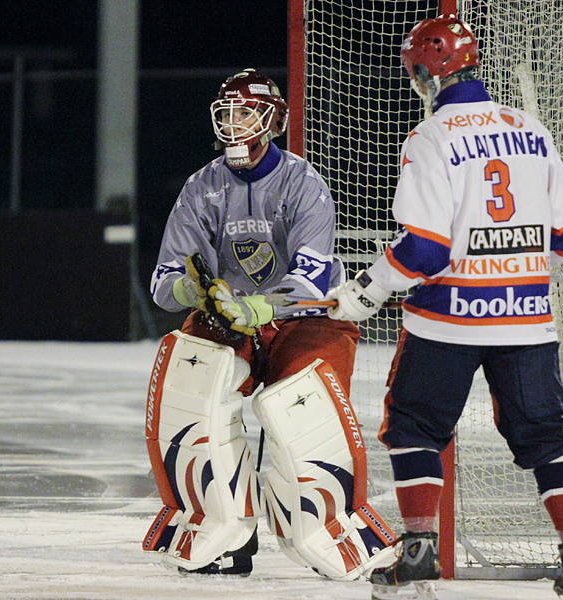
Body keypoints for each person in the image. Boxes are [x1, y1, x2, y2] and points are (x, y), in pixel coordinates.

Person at [326, 15, 563, 600]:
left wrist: (367, 290)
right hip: (526, 316)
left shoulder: (431, 137)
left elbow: (425, 247)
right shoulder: (531, 127)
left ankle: (419, 551)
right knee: (548, 436)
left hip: (448, 318)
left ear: (428, 71)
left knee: (415, 426)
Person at [142, 69, 395, 580]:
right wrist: (192, 290)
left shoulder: (304, 183)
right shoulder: (201, 188)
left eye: (246, 113)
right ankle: (220, 530)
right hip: (230, 318)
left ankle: (329, 530)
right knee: (190, 388)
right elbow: (164, 279)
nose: (235, 125)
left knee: (305, 410)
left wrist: (262, 307)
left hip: (304, 320)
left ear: (273, 120)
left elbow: (315, 275)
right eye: (227, 114)